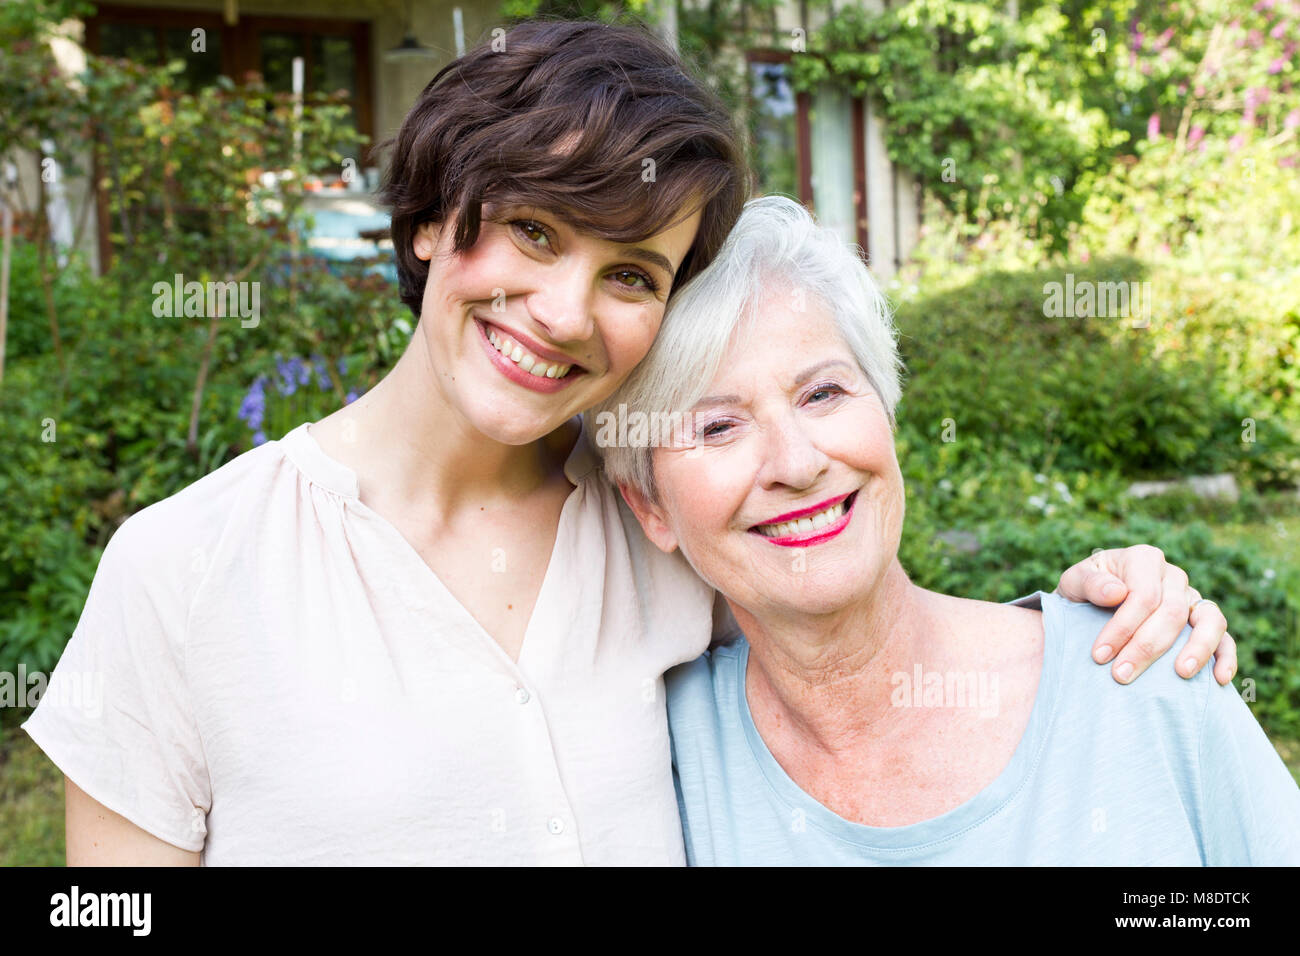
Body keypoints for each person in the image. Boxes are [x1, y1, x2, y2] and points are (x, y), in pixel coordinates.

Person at [24, 21, 1234, 866]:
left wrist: (1102, 603)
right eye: (537, 233)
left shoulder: (663, 526)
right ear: (437, 215)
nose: (563, 313)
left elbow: (855, 601)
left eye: (631, 274)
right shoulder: (188, 567)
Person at [598, 196, 1300, 865]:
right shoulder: (657, 755)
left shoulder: (1141, 669)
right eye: (718, 426)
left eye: (824, 392)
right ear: (650, 507)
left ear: (887, 412)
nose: (799, 462)